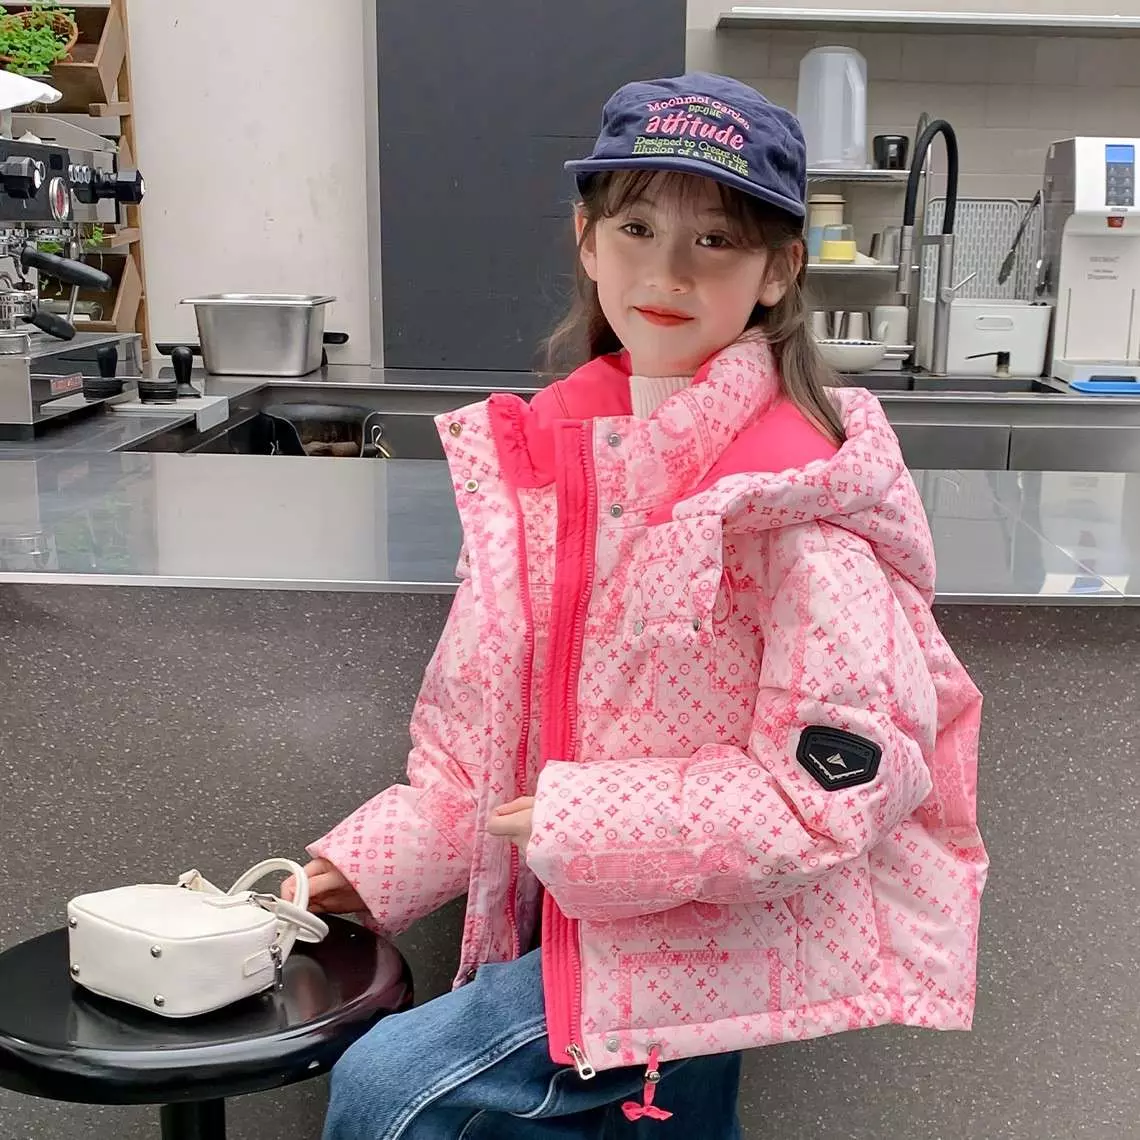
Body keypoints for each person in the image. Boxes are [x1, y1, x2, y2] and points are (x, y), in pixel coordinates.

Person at [284, 73, 988, 1140]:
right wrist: (369, 865)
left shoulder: (796, 491)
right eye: (638, 227)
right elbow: (485, 739)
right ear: (587, 239)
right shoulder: (555, 460)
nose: (665, 271)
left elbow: (836, 783)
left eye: (715, 239)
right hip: (582, 924)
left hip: (700, 943)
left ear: (778, 270)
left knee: (391, 1089)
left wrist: (583, 825)